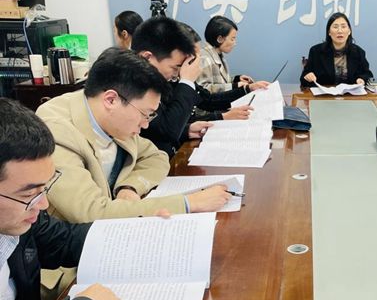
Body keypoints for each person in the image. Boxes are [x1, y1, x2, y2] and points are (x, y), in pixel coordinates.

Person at [0, 99, 121, 300]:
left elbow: (64, 240)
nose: (43, 204)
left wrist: (144, 235)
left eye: (44, 189)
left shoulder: (16, 218)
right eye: (28, 194)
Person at [36, 47, 230, 223]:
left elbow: (156, 156)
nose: (146, 124)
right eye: (145, 114)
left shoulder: (111, 118)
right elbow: (92, 213)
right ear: (111, 100)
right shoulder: (55, 133)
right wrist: (188, 203)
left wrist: (129, 187)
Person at [131, 16, 213, 157]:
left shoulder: (153, 80)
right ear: (147, 57)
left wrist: (186, 130)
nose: (176, 75)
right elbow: (168, 130)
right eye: (175, 68)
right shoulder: (130, 85)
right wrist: (187, 81)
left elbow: (158, 129)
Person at [198, 15, 269, 94]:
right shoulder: (204, 58)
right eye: (232, 39)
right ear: (220, 39)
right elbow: (203, 90)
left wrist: (236, 79)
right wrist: (235, 86)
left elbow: (221, 82)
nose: (234, 43)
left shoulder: (218, 54)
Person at [300, 12, 373, 87]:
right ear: (329, 32)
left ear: (349, 31)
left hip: (350, 94)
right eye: (335, 27)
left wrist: (362, 79)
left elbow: (367, 74)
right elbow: (303, 79)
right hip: (325, 94)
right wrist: (308, 76)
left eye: (343, 27)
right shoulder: (316, 51)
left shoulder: (358, 52)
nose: (340, 31)